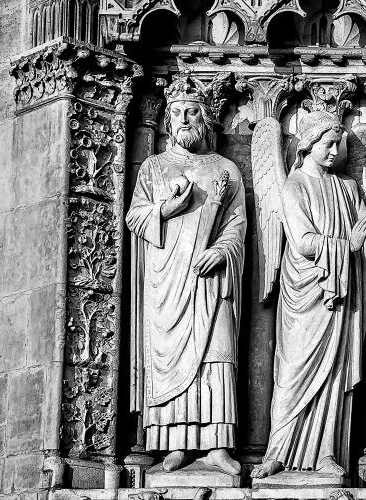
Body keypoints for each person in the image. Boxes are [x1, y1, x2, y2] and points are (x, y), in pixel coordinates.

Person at [126, 75, 247, 475]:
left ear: (206, 116)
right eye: (175, 112)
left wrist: (222, 250)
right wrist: (165, 210)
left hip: (211, 279)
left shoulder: (225, 169)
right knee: (168, 359)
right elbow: (135, 216)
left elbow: (238, 224)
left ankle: (217, 443)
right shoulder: (155, 167)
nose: (183, 119)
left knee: (217, 352)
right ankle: (172, 442)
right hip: (166, 278)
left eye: (191, 111)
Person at [251, 111, 366, 479]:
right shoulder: (293, 186)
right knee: (292, 371)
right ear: (309, 145)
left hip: (339, 293)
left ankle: (327, 451)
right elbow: (304, 241)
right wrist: (348, 243)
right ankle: (277, 449)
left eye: (338, 144)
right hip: (306, 292)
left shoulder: (347, 188)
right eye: (328, 144)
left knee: (334, 374)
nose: (335, 151)